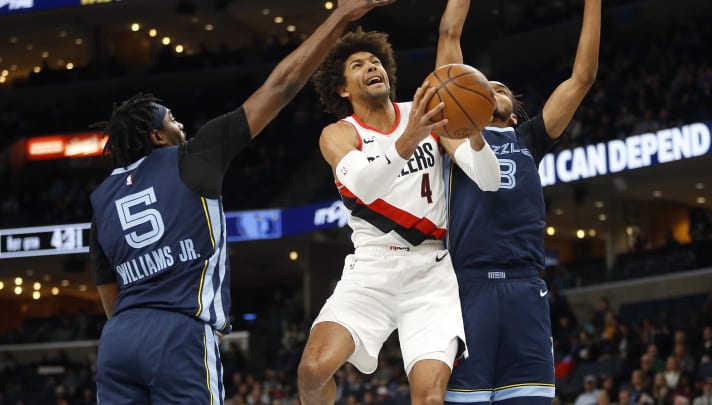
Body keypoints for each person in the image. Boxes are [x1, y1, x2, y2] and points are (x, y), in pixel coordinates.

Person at [88, 1, 395, 403]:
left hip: (118, 341)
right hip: (176, 330)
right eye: (170, 119)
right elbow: (280, 88)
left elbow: (108, 292)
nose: (180, 123)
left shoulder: (101, 198)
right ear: (157, 137)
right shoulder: (192, 156)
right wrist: (340, 17)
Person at [296, 10, 502, 405]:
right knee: (312, 371)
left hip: (431, 273)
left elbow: (488, 179)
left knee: (429, 399)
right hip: (372, 270)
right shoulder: (339, 134)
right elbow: (364, 186)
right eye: (357, 65)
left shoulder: (424, 112)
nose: (371, 66)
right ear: (343, 89)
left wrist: (475, 134)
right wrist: (409, 139)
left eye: (375, 61)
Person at [437, 0, 601, 403]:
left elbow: (582, 78)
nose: (495, 89)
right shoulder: (454, 134)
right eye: (486, 86)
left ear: (513, 115)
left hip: (526, 288)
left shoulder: (529, 138)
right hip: (468, 286)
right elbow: (449, 35)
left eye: (503, 89)